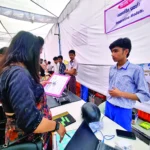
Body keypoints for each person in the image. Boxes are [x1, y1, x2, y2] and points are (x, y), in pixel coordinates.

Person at [0, 31, 66, 149]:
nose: (38, 57)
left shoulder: (13, 70)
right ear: (29, 51)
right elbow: (30, 122)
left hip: (29, 138)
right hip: (29, 139)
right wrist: (57, 126)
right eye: (38, 53)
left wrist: (37, 85)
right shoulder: (18, 74)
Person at [105, 38, 150, 131]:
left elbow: (144, 95)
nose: (112, 54)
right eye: (111, 52)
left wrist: (120, 94)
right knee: (107, 132)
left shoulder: (136, 70)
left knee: (121, 140)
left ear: (126, 51)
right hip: (109, 106)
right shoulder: (112, 68)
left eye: (115, 51)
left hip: (123, 110)